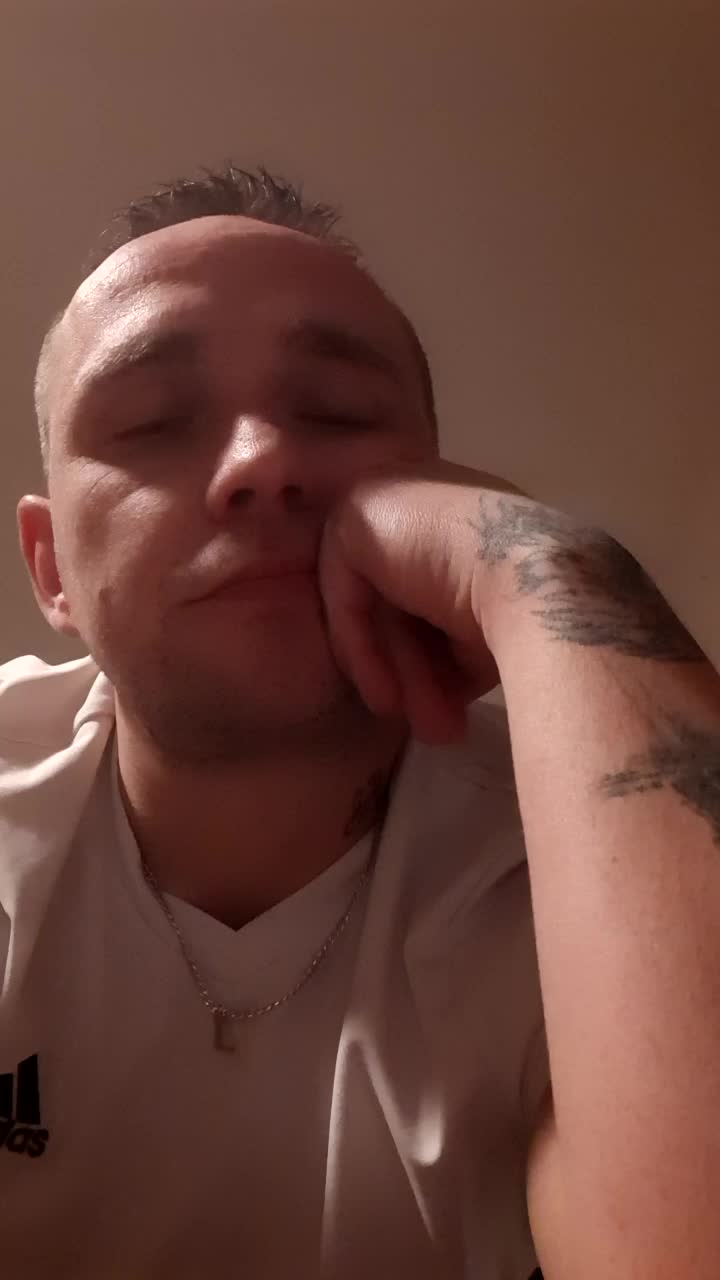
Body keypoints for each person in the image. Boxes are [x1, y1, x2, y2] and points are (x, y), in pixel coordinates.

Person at [2, 165, 719, 1280]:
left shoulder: (571, 866)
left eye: (335, 412)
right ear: (51, 568)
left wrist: (554, 565)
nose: (262, 462)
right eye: (154, 421)